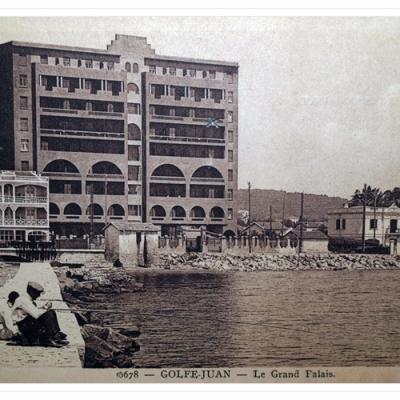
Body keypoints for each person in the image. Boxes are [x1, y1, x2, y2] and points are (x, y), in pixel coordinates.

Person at [8, 282, 69, 348]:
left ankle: (55, 335)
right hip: (24, 327)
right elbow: (36, 315)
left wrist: (44, 308)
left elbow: (35, 312)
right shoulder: (23, 300)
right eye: (37, 293)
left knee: (51, 312)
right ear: (31, 291)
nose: (39, 296)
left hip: (27, 324)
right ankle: (50, 338)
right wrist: (46, 307)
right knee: (49, 314)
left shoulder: (27, 299)